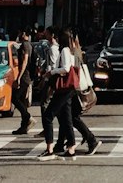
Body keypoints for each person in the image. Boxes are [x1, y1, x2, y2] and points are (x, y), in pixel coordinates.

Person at [41, 29, 79, 157]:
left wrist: (51, 72)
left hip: (64, 88)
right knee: (66, 117)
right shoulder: (71, 51)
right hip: (68, 88)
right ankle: (71, 146)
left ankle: (50, 147)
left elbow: (66, 69)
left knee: (48, 116)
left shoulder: (64, 50)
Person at [11, 29, 33, 135]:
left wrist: (19, 77)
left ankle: (27, 117)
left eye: (21, 33)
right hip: (26, 76)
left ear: (24, 34)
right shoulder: (28, 44)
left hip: (24, 77)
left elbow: (25, 61)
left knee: (15, 98)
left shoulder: (25, 45)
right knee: (22, 100)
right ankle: (24, 126)